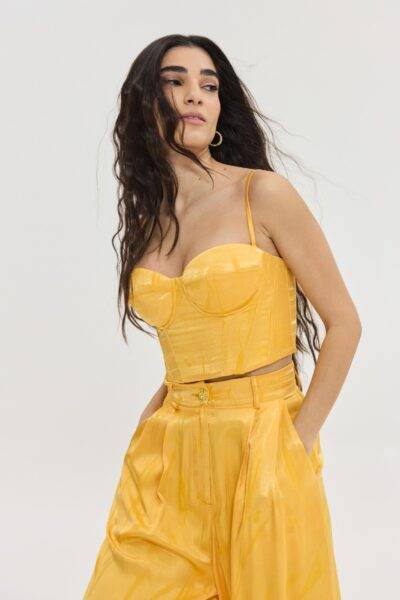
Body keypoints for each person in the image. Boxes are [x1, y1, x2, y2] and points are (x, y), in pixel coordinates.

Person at [83, 34, 361, 599]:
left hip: (263, 442)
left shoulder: (264, 195)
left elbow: (345, 324)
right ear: (144, 104)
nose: (195, 95)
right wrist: (156, 414)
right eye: (175, 82)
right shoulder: (149, 224)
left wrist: (297, 442)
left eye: (208, 86)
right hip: (170, 451)